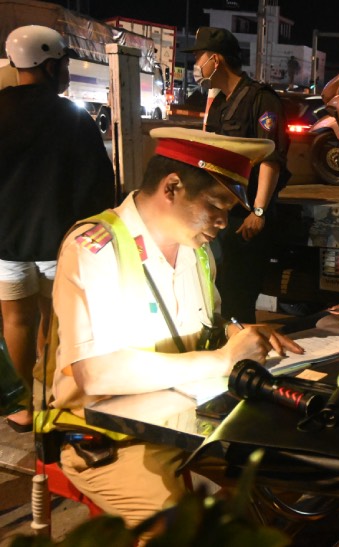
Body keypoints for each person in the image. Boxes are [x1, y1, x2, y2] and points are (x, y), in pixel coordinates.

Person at [43, 128, 302, 528]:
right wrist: (221, 361)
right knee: (185, 532)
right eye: (215, 206)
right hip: (111, 443)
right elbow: (95, 373)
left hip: (186, 425)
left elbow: (209, 327)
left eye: (230, 210)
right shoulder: (95, 247)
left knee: (275, 489)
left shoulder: (198, 252)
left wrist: (239, 335)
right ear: (172, 187)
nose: (222, 222)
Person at [0, 26, 114, 432]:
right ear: (50, 65)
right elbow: (98, 184)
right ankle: (53, 396)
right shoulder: (72, 117)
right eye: (63, 64)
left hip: (5, 244)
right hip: (58, 242)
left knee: (15, 320)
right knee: (58, 322)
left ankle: (19, 408)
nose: (65, 71)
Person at [184, 27, 290, 324]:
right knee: (217, 295)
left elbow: (270, 159)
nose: (196, 65)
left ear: (216, 60)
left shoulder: (261, 100)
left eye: (199, 58)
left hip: (247, 219)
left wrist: (258, 211)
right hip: (221, 216)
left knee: (239, 297)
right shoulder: (219, 102)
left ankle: (246, 361)